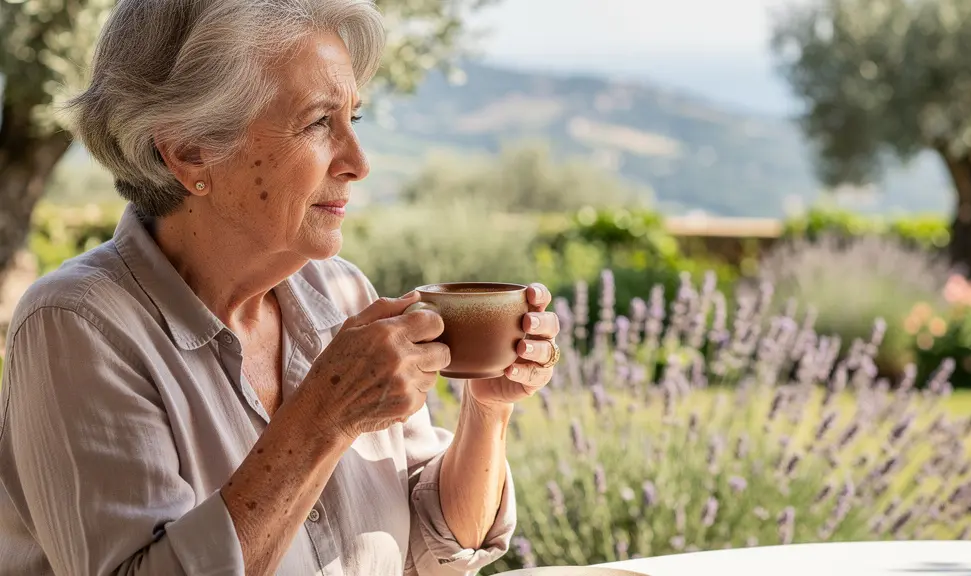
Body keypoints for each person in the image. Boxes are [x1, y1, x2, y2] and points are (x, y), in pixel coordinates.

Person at [0, 1, 562, 574]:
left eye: (354, 120)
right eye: (319, 122)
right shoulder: (77, 326)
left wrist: (486, 413)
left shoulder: (341, 293)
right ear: (189, 149)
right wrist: (321, 419)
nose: (358, 162)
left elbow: (436, 550)